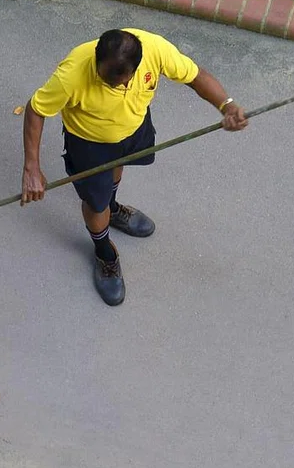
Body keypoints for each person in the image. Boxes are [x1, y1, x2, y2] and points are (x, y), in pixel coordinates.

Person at [20, 28, 248, 306]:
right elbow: (36, 110)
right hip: (90, 143)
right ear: (97, 58)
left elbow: (196, 76)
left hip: (133, 128)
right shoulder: (72, 74)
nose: (114, 86)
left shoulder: (155, 49)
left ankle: (113, 208)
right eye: (106, 79)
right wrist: (31, 167)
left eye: (121, 80)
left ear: (136, 68)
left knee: (119, 168)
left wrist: (227, 106)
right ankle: (104, 253)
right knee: (95, 205)